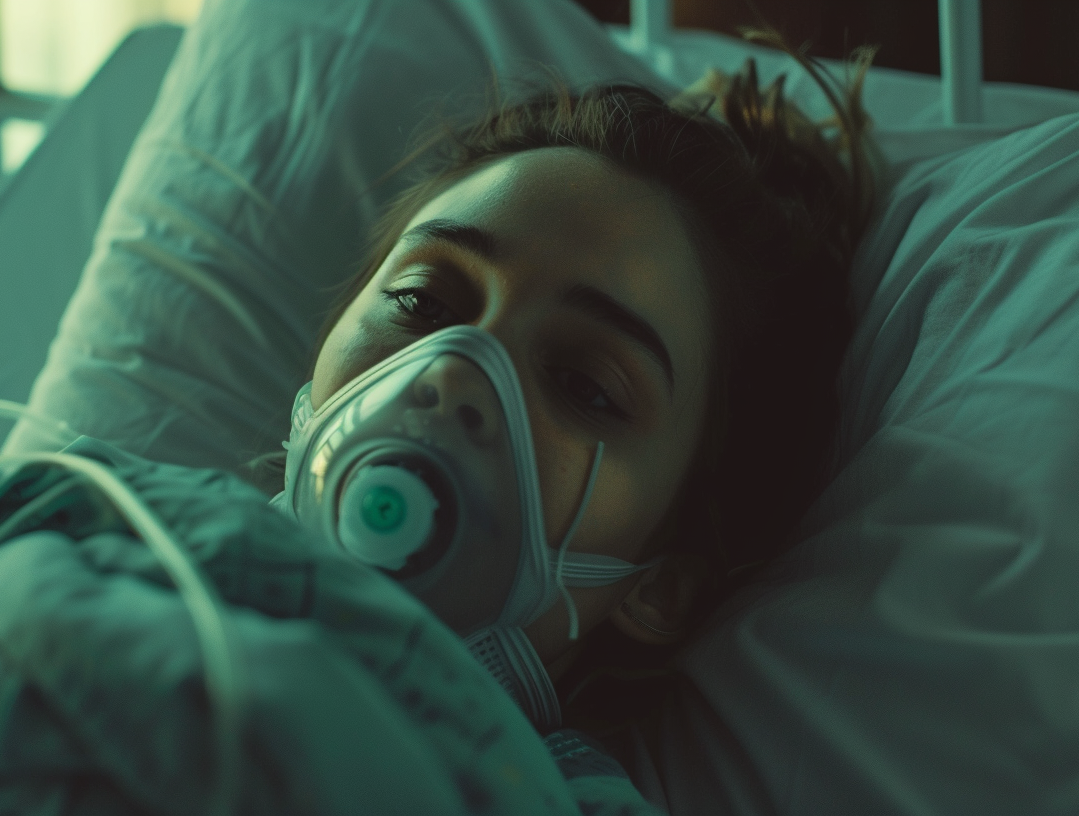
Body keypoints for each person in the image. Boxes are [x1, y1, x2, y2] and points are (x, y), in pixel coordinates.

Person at [244, 31, 880, 749]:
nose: (452, 374)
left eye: (585, 384)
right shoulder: (99, 510)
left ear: (660, 583)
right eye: (422, 302)